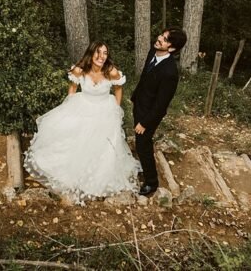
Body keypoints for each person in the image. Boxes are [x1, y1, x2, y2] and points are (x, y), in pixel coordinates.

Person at [24, 42, 141, 203]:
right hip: (84, 106)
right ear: (91, 53)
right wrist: (70, 106)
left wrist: (116, 109)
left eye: (105, 53)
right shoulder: (79, 70)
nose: (101, 56)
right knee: (76, 140)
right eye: (98, 52)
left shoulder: (111, 72)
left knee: (103, 143)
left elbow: (118, 89)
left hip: (104, 109)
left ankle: (98, 176)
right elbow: (72, 88)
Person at [131, 28, 186, 196]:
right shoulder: (153, 52)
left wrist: (144, 123)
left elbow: (161, 105)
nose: (159, 39)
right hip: (140, 104)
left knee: (143, 144)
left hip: (150, 115)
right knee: (140, 143)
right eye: (162, 35)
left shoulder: (170, 73)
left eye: (165, 39)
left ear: (171, 48)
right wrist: (135, 97)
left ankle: (151, 182)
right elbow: (145, 79)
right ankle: (143, 166)